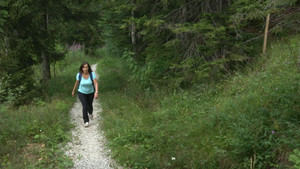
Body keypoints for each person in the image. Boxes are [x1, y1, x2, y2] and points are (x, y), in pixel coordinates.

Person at [72, 62, 98, 127]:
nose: (85, 69)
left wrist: (96, 92)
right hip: (81, 92)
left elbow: (96, 83)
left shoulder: (92, 74)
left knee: (90, 105)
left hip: (90, 92)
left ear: (88, 68)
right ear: (82, 68)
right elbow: (76, 83)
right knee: (85, 105)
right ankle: (86, 121)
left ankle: (90, 113)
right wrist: (73, 91)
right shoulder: (79, 75)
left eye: (86, 67)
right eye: (84, 67)